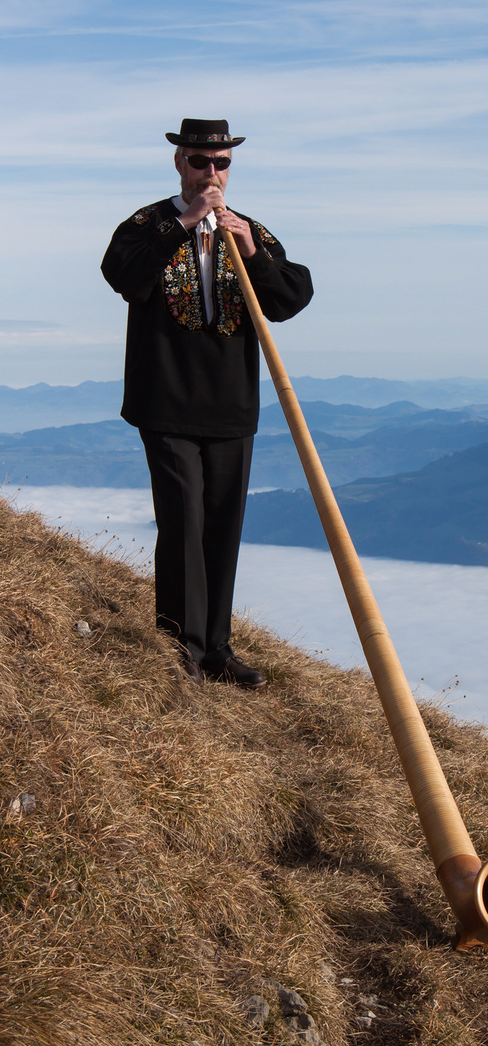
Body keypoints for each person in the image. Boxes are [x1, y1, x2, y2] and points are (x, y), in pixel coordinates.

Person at [101, 118, 313, 687]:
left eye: (221, 163)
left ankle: (216, 648)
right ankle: (181, 650)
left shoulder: (252, 232)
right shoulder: (146, 224)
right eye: (200, 161)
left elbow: (292, 298)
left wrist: (251, 251)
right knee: (183, 520)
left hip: (231, 405)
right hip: (164, 399)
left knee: (222, 524)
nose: (211, 174)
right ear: (179, 163)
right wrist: (185, 223)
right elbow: (123, 275)